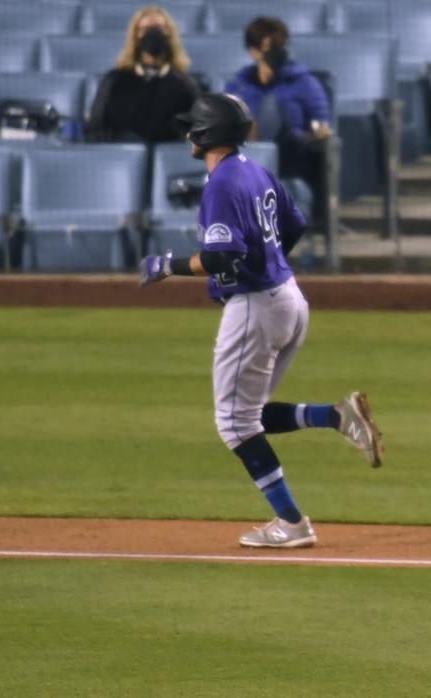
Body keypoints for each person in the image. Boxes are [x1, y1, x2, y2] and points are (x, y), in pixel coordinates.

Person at [136, 93, 383, 548]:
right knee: (248, 417)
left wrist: (167, 266)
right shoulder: (255, 170)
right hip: (289, 297)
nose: (188, 132)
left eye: (194, 126)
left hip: (256, 306)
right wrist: (264, 260)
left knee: (235, 425)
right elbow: (296, 223)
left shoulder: (223, 183)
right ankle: (335, 416)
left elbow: (220, 255)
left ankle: (291, 523)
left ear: (207, 134)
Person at [225, 17, 333, 227]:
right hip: (248, 158)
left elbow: (322, 125)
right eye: (267, 47)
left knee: (272, 107)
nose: (275, 52)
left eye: (279, 45)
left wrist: (313, 133)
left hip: (291, 157)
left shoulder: (305, 83)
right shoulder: (239, 85)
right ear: (253, 51)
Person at [86, 5, 200, 144]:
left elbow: (197, 131)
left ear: (170, 34)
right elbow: (95, 130)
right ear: (136, 36)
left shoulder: (185, 84)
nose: (153, 34)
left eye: (159, 28)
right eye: (145, 29)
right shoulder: (114, 81)